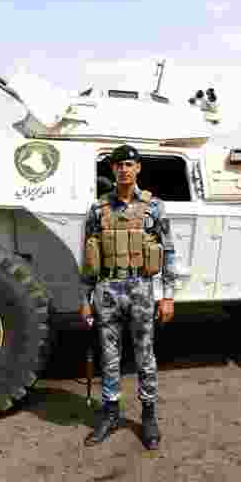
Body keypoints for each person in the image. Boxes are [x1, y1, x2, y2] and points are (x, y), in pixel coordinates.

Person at [79, 145, 177, 449]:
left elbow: (169, 251)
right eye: (118, 165)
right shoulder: (97, 209)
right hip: (107, 290)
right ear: (112, 170)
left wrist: (168, 296)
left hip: (140, 288)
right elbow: (89, 256)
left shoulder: (154, 207)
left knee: (145, 355)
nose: (123, 169)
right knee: (109, 356)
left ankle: (148, 416)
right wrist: (85, 298)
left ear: (138, 169)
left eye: (129, 164)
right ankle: (110, 412)